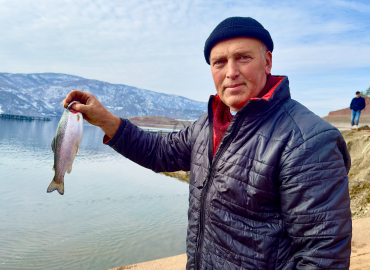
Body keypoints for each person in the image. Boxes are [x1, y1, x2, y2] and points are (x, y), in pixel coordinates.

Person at [63, 17, 352, 270]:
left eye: (243, 58)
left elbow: (323, 256)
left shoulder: (307, 140)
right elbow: (159, 152)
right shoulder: (208, 125)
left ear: (267, 61)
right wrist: (105, 119)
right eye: (219, 62)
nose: (230, 72)